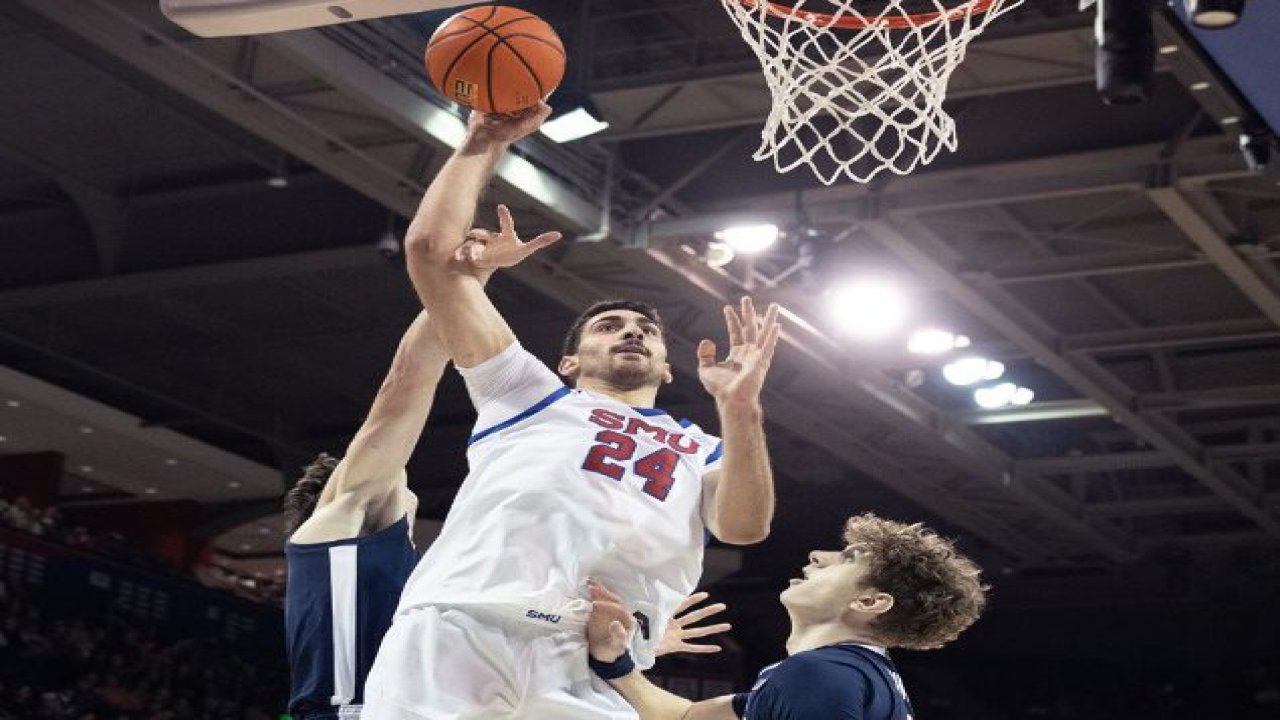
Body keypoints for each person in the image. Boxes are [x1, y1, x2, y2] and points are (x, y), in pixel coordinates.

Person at [362, 103, 781, 720]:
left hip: (596, 659)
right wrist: (483, 142)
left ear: (668, 367)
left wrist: (741, 409)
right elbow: (429, 254)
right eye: (610, 327)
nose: (631, 334)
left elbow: (746, 529)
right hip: (465, 622)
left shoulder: (704, 448)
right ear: (568, 361)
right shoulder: (528, 392)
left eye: (646, 330)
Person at [282, 224, 734, 720]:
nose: (401, 478)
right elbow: (399, 393)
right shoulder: (343, 516)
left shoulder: (414, 565)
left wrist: (641, 642)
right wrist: (460, 288)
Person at [585, 513, 990, 720]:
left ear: (869, 602)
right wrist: (618, 660)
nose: (817, 556)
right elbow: (685, 715)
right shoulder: (848, 675)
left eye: (848, 558)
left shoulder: (822, 674)